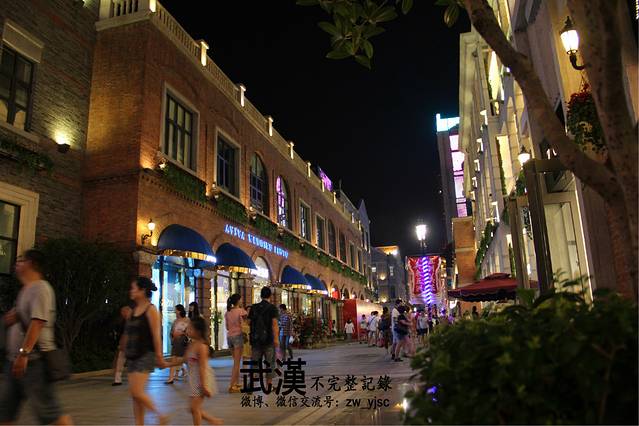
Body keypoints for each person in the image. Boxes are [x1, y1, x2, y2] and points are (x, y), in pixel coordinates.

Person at [0, 249, 73, 425]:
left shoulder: (41, 288)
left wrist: (24, 354)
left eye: (21, 260)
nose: (17, 263)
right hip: (15, 361)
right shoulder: (26, 289)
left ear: (31, 263)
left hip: (34, 362)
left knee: (50, 413)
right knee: (5, 412)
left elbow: (37, 323)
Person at [124, 276, 169, 425]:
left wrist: (159, 356)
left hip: (145, 355)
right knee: (135, 396)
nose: (131, 291)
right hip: (132, 355)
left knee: (136, 391)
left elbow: (156, 336)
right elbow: (128, 333)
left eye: (133, 288)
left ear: (142, 290)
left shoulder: (151, 310)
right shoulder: (133, 311)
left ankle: (160, 414)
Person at [184, 317, 222, 425]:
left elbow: (202, 367)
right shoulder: (192, 344)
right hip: (194, 379)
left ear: (198, 331)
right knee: (192, 408)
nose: (187, 330)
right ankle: (214, 421)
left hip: (202, 379)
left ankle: (213, 421)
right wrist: (167, 364)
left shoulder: (202, 347)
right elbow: (183, 359)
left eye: (190, 328)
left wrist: (204, 386)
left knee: (194, 408)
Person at [248, 287, 279, 389]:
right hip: (268, 340)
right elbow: (274, 324)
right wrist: (276, 339)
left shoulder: (253, 307)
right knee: (269, 363)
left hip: (256, 340)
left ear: (261, 295)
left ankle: (251, 384)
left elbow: (249, 322)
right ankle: (268, 385)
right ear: (270, 296)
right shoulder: (272, 308)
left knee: (255, 362)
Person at [224, 294, 246, 393]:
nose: (241, 301)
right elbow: (244, 324)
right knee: (237, 363)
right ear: (238, 301)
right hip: (238, 336)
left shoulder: (227, 312)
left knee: (235, 361)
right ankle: (232, 385)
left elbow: (227, 327)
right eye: (240, 299)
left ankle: (236, 383)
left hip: (229, 337)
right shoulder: (241, 311)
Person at [166, 304, 189, 384]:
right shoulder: (175, 321)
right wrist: (172, 338)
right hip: (176, 342)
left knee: (181, 359)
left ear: (179, 311)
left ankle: (184, 370)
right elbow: (171, 331)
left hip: (183, 342)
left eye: (175, 310)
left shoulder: (187, 320)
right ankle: (171, 378)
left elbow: (189, 331)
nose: (174, 311)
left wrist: (182, 333)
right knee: (173, 359)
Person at [113, 304, 133, 386]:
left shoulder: (131, 321)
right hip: (126, 344)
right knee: (121, 361)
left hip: (130, 344)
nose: (122, 314)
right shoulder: (125, 321)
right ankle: (117, 379)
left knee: (124, 361)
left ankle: (118, 379)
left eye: (123, 312)